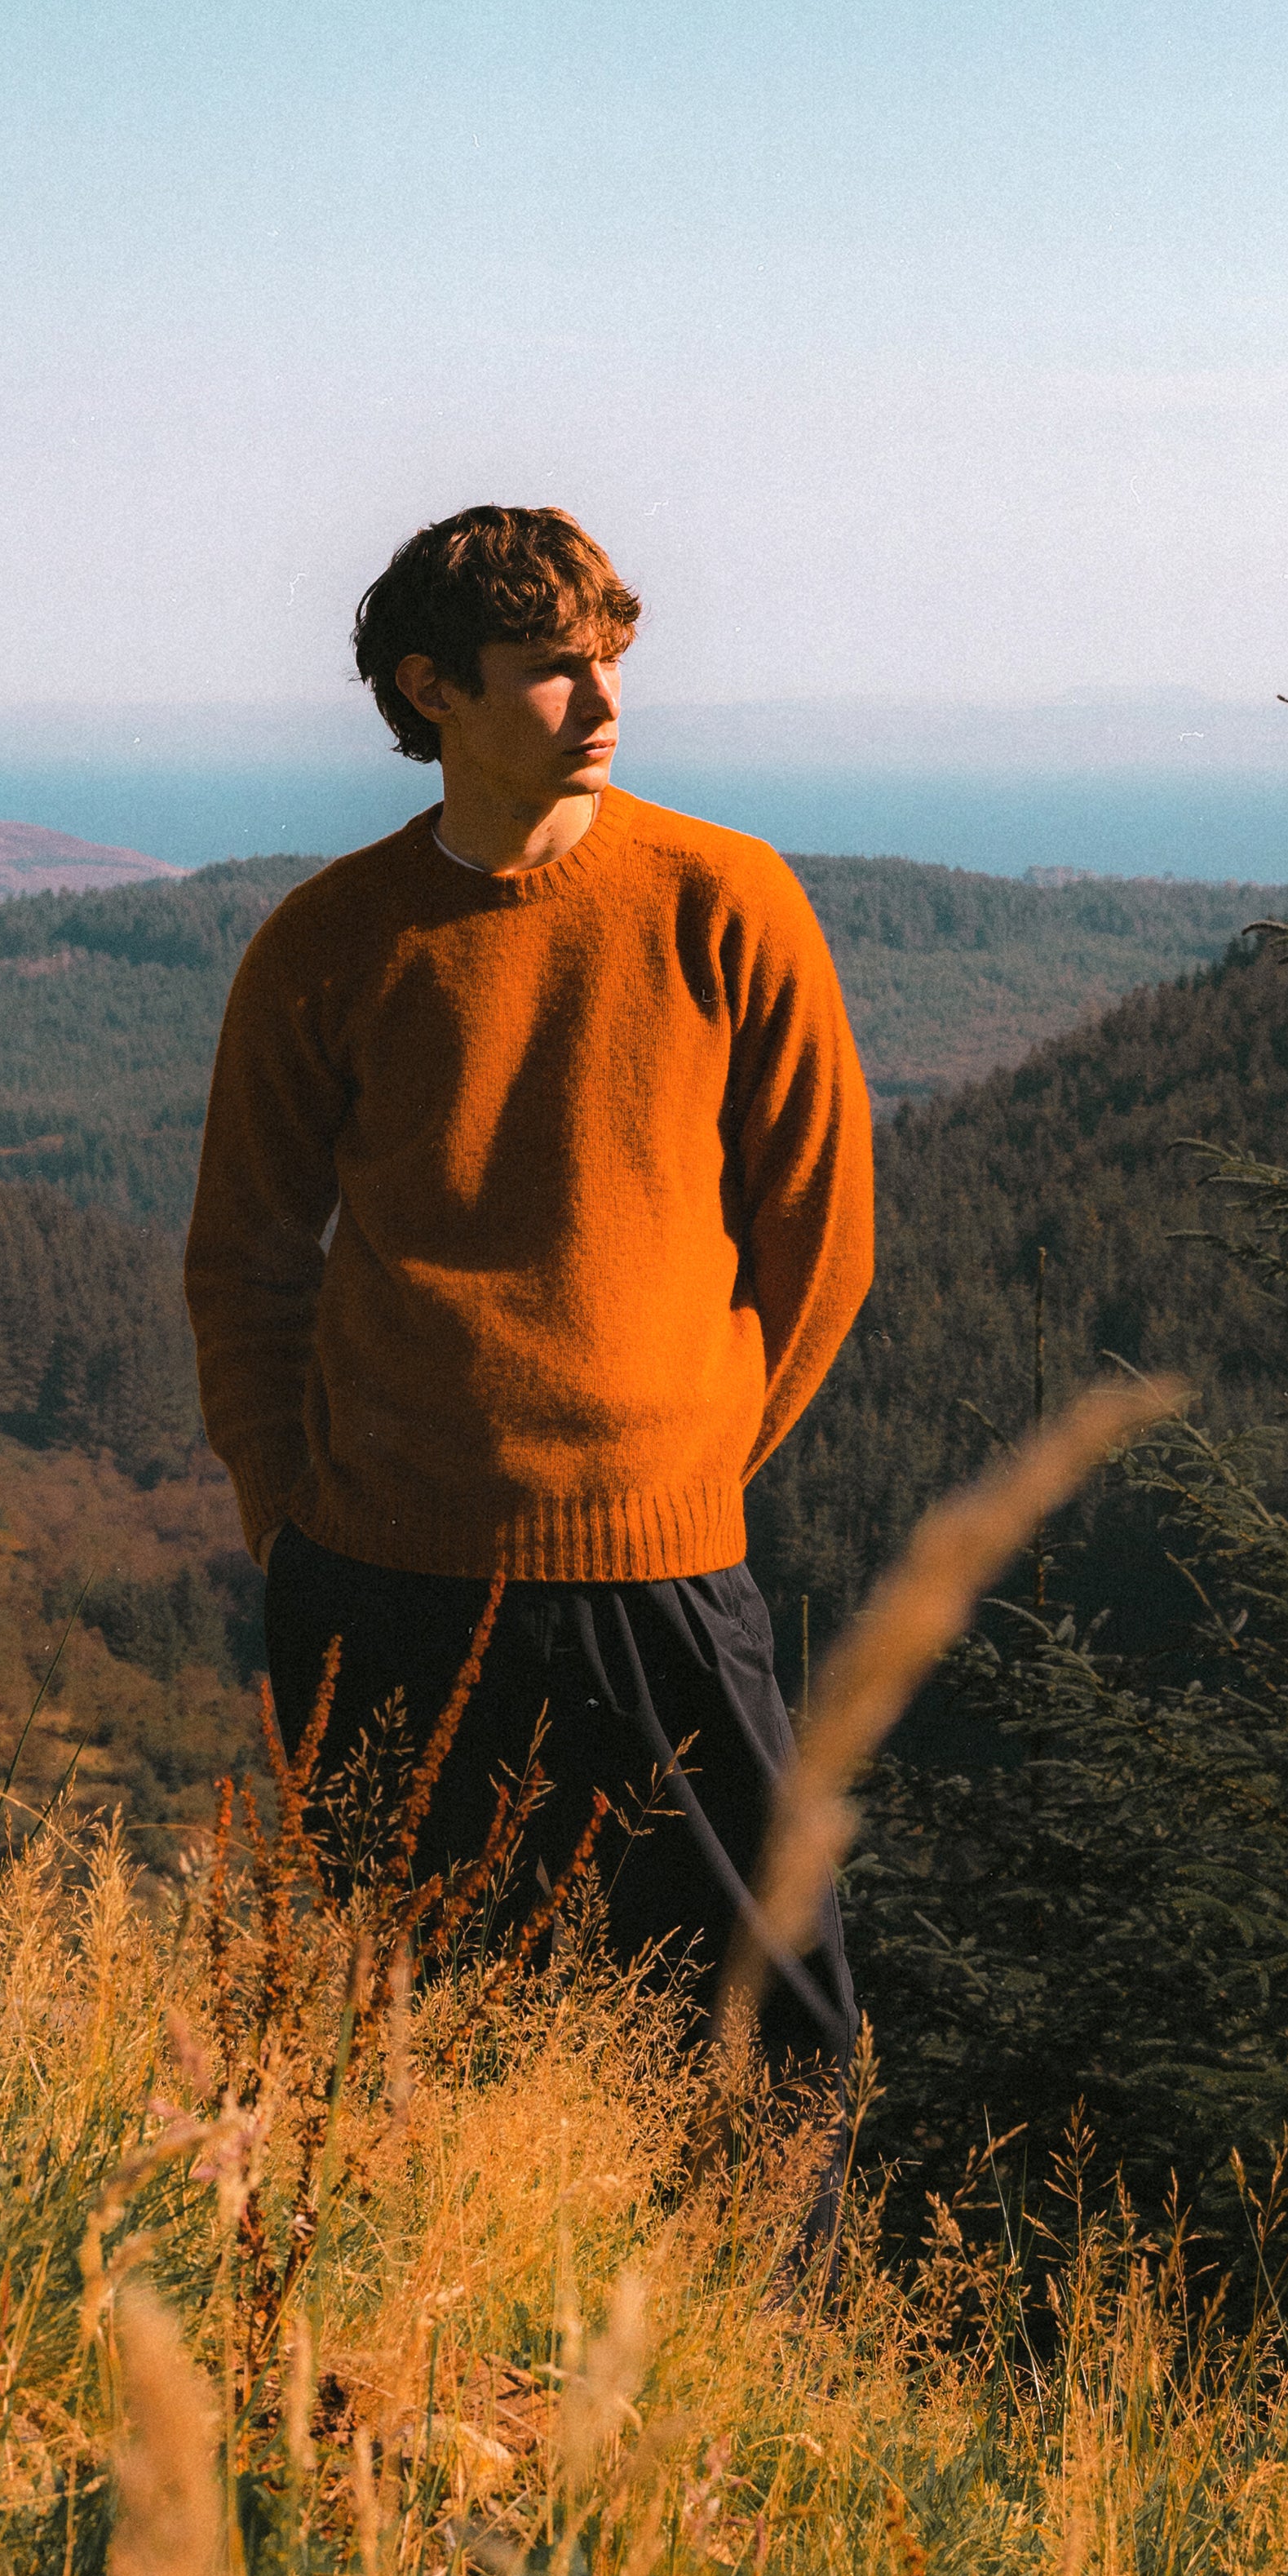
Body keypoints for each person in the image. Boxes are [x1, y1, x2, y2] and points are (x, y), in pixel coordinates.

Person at [184, 503, 873, 2082]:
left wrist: (680, 1478)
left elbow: (823, 1244)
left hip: (660, 1582)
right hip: (380, 1583)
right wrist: (286, 1524)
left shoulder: (729, 903)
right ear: (433, 693)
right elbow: (245, 1262)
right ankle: (445, 2332)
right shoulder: (329, 944)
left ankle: (729, 2339)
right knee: (422, 2039)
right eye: (555, 672)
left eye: (615, 660)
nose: (606, 701)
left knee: (772, 2037)